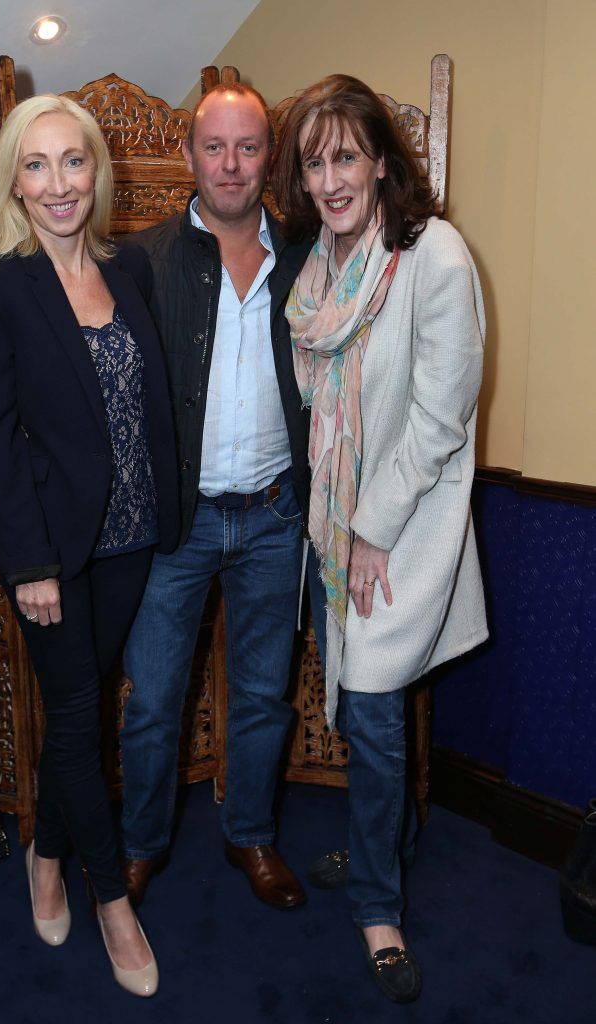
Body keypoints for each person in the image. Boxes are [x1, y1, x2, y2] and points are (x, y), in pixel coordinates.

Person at [0, 94, 180, 998]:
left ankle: (44, 853)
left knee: (82, 715)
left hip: (129, 540)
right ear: (14, 178)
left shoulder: (127, 269)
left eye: (73, 162)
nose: (58, 184)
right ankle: (110, 901)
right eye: (37, 165)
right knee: (82, 719)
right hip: (51, 548)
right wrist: (32, 564)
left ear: (98, 171)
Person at [271, 74, 487, 1002]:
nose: (330, 178)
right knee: (369, 709)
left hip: (401, 524)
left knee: (372, 706)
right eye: (314, 162)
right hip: (337, 529)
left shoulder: (432, 253)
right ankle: (376, 845)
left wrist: (368, 530)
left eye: (346, 155)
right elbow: (319, 407)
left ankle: (376, 903)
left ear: (385, 162)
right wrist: (336, 524)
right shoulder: (318, 267)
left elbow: (440, 416)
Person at [118, 84, 312, 910]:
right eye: (214, 147)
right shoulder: (142, 258)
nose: (231, 165)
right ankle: (137, 845)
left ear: (271, 155)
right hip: (179, 520)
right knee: (156, 702)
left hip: (276, 513)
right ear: (188, 154)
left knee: (264, 696)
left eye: (249, 147)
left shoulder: (310, 254)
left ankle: (253, 838)